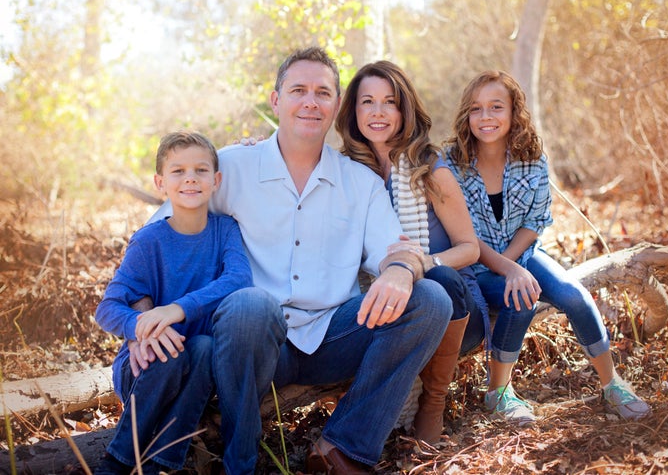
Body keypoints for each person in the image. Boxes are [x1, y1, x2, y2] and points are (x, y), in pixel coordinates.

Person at [145, 47, 452, 475]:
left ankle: (342, 447)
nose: (311, 102)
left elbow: (395, 248)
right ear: (275, 101)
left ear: (335, 104)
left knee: (431, 300)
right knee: (252, 303)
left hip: (330, 336)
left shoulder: (359, 182)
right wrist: (146, 317)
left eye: (323, 92)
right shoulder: (231, 166)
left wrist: (401, 270)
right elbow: (156, 235)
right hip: (249, 343)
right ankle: (242, 461)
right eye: (298, 90)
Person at [444, 70, 651, 425]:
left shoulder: (532, 157)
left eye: (496, 107)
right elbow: (463, 234)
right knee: (520, 297)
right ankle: (498, 394)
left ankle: (612, 384)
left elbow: (535, 221)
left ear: (513, 112)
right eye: (476, 109)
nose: (486, 117)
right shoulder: (453, 163)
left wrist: (512, 264)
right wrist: (506, 270)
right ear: (467, 115)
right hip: (473, 266)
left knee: (572, 294)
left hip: (522, 255)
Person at [334, 60, 488, 443]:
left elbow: (469, 248)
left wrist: (424, 262)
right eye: (367, 102)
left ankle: (433, 401)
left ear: (405, 110)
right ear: (353, 111)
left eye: (390, 102)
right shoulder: (344, 172)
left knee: (439, 280)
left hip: (456, 312)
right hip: (385, 308)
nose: (378, 112)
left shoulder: (429, 168)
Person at [94, 131, 253, 474]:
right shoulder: (149, 241)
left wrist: (175, 310)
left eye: (200, 170)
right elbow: (107, 307)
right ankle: (116, 460)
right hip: (144, 367)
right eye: (178, 171)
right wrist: (140, 327)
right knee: (170, 350)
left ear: (216, 180)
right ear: (160, 182)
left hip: (196, 365)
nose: (190, 178)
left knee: (203, 346)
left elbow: (239, 279)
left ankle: (160, 465)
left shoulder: (225, 230)